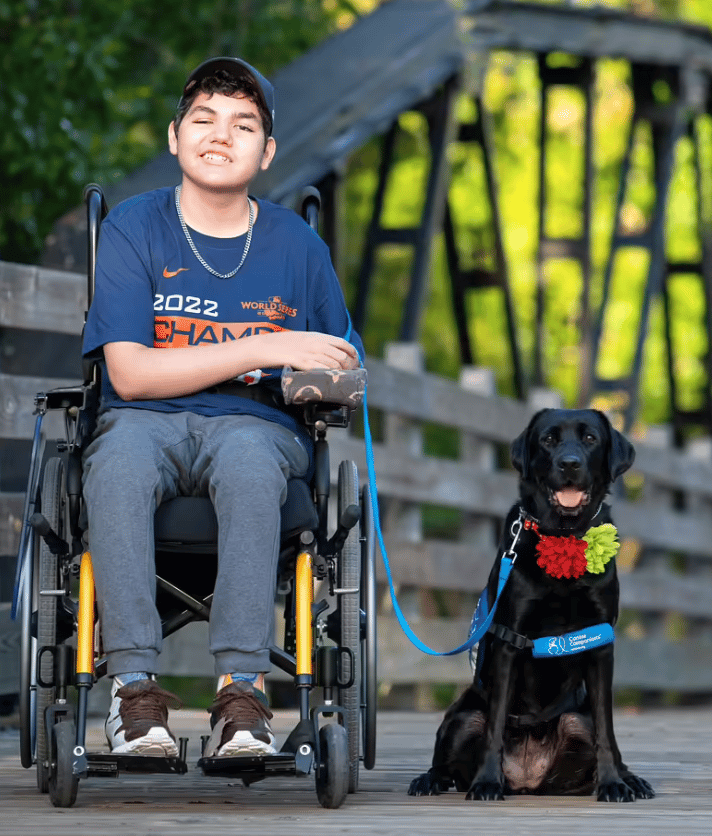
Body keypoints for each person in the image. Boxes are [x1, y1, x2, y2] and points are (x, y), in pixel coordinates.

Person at [81, 57, 363, 758]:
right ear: (175, 137)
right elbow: (131, 374)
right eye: (202, 119)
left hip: (259, 428)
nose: (219, 134)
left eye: (243, 124)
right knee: (113, 462)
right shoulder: (132, 229)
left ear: (266, 153)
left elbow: (345, 362)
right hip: (140, 423)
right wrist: (265, 344)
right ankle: (134, 693)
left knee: (245, 458)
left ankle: (244, 694)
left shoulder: (298, 247)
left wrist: (322, 368)